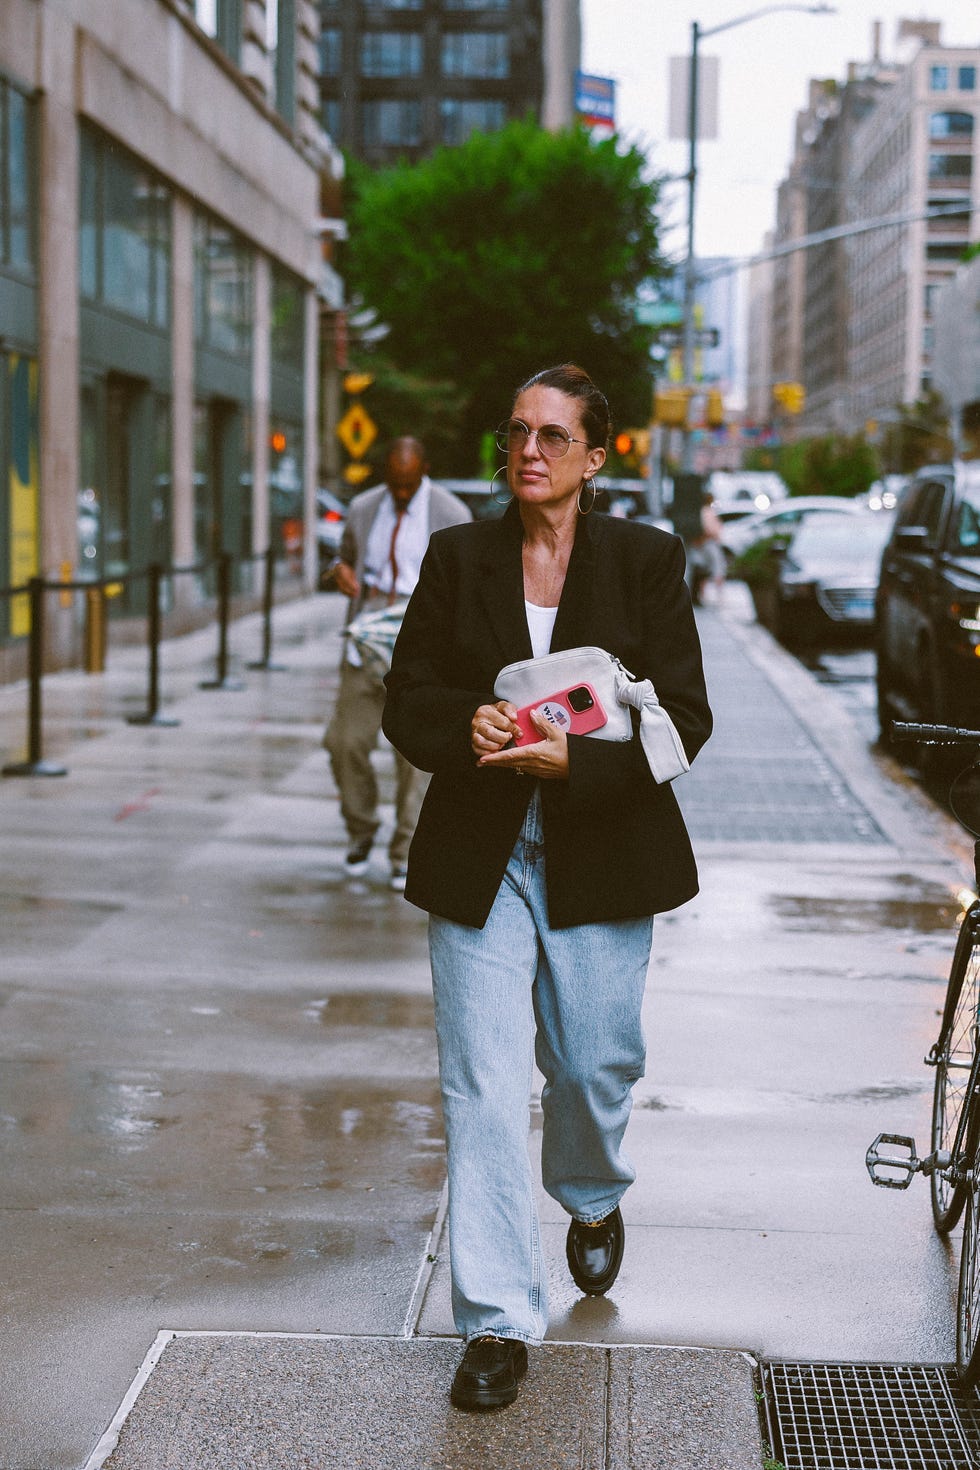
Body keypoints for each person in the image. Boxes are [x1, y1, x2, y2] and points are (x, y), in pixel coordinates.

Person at [382, 366, 712, 1410]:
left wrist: (581, 768)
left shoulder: (645, 562)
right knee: (480, 1088)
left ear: (594, 455)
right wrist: (462, 725)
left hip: (602, 848)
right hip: (481, 860)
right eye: (515, 432)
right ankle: (492, 1324)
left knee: (591, 1066)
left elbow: (686, 718)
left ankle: (590, 1195)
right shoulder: (457, 557)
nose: (528, 450)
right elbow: (408, 698)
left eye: (552, 436)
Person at [323, 438, 471, 891]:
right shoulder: (365, 507)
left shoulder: (451, 513)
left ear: (424, 469)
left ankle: (405, 849)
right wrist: (339, 570)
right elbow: (344, 558)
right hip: (365, 644)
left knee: (416, 757)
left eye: (410, 485)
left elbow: (466, 585)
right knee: (344, 743)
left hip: (421, 647)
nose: (402, 494)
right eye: (395, 484)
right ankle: (361, 829)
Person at [687, 489, 727, 604]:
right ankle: (718, 593)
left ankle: (702, 594)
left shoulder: (700, 511)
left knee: (701, 568)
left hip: (702, 543)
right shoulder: (707, 511)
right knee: (717, 567)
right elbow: (711, 529)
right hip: (708, 543)